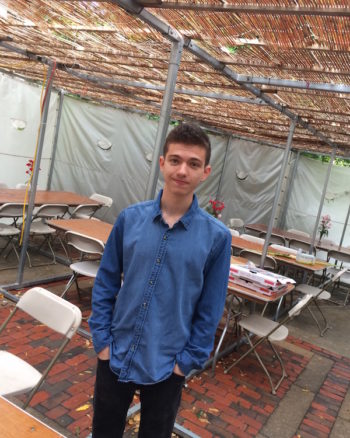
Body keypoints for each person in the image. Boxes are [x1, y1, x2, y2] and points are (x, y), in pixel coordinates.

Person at [89, 122, 232, 437]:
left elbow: (211, 308)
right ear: (162, 163)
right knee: (103, 431)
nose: (183, 170)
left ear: (205, 172)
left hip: (168, 363)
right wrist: (102, 340)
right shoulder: (130, 219)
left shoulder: (217, 238)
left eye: (193, 164)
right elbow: (106, 282)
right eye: (176, 160)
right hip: (116, 351)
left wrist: (187, 361)